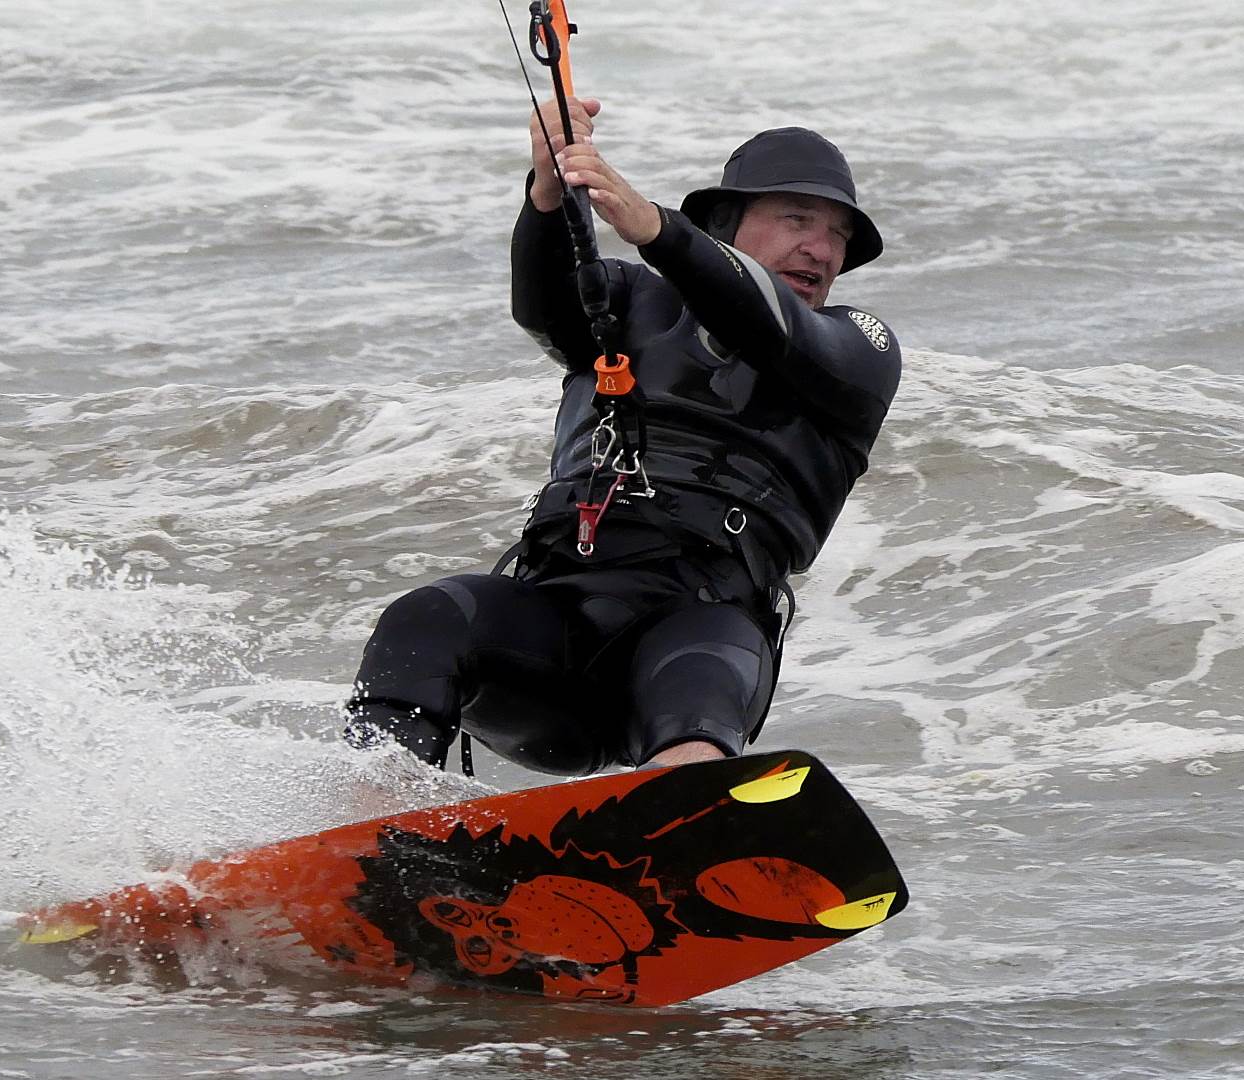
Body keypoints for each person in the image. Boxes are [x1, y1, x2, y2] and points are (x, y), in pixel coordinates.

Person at [343, 96, 901, 775]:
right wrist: (547, 192)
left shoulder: (856, 347)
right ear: (726, 224)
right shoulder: (630, 303)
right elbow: (543, 301)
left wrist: (657, 228)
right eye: (798, 219)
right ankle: (377, 819)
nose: (821, 248)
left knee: (697, 706)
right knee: (425, 619)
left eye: (838, 234)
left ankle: (682, 813)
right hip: (555, 625)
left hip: (699, 627)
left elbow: (771, 323)